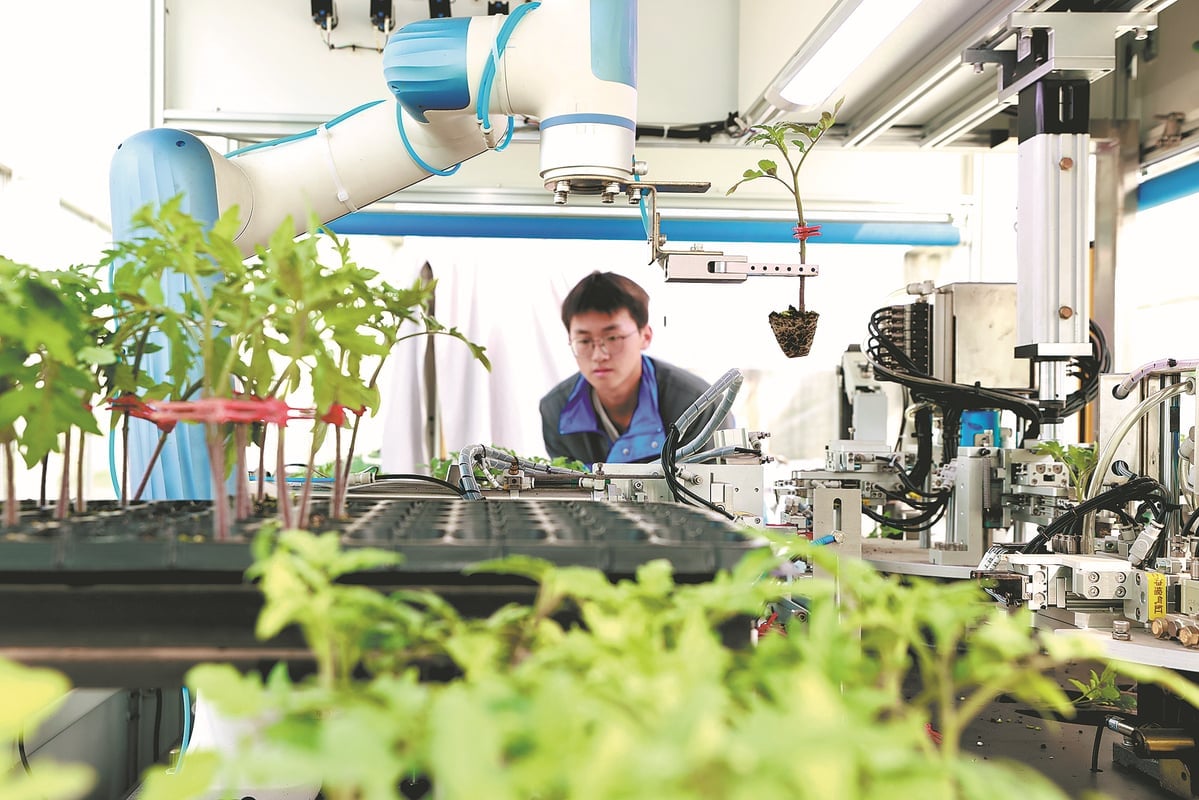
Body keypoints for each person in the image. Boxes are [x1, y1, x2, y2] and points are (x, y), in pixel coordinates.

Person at [540, 271, 731, 465]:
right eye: (584, 341)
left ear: (645, 336)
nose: (598, 355)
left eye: (613, 338)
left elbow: (718, 491)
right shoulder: (556, 410)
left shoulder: (699, 406)